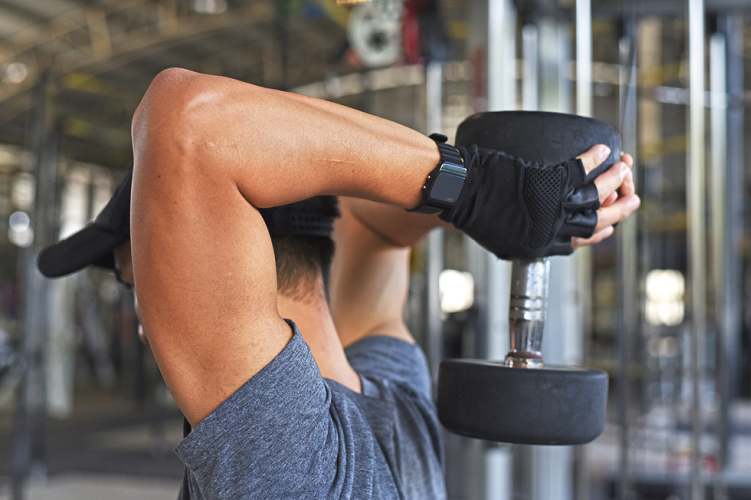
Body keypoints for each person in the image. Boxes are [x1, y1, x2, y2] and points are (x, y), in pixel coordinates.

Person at [40, 67, 639, 499]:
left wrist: (482, 190)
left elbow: (188, 120)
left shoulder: (292, 463)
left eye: (138, 280)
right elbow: (368, 224)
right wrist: (509, 205)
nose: (148, 319)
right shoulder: (389, 391)